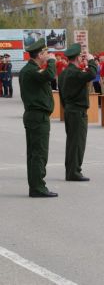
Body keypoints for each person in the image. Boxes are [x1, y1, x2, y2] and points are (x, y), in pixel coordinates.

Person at [19, 38, 58, 198]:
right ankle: (37, 187)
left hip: (34, 116)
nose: (48, 55)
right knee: (39, 153)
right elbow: (50, 75)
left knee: (34, 153)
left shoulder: (30, 70)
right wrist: (52, 61)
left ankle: (35, 185)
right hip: (37, 117)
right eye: (46, 53)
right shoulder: (31, 71)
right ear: (40, 54)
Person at [58, 43, 96, 181]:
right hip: (78, 111)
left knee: (71, 142)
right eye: (81, 55)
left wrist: (67, 106)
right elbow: (92, 73)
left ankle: (70, 170)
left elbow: (61, 95)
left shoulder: (63, 74)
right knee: (77, 143)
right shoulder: (75, 73)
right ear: (78, 57)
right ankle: (74, 172)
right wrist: (91, 60)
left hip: (69, 109)